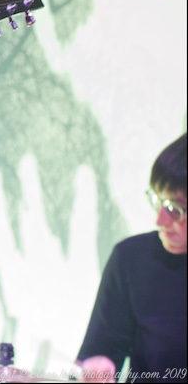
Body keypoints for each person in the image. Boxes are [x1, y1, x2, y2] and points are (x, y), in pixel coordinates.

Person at [76, 132, 187, 383]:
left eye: (175, 209)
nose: (160, 221)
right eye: (158, 201)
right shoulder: (131, 260)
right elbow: (98, 353)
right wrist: (97, 366)